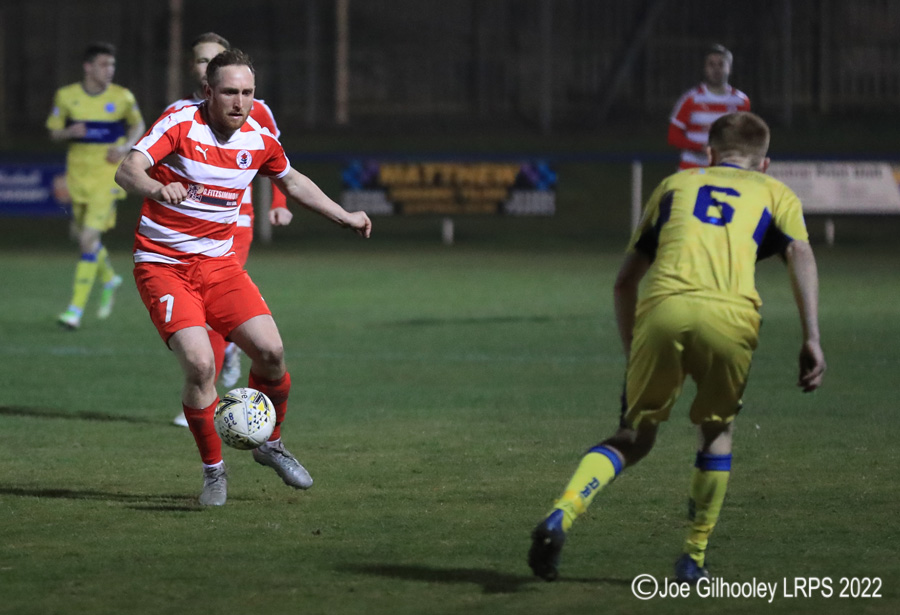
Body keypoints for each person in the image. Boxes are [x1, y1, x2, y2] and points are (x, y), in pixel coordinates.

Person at [528, 112, 826, 583]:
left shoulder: (673, 186)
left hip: (663, 309)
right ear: (764, 164)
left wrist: (634, 351)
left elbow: (624, 283)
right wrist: (811, 336)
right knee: (715, 430)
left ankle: (560, 515)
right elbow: (801, 253)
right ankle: (693, 558)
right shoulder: (777, 193)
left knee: (633, 436)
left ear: (709, 154)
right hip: (731, 316)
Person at [115, 49, 372, 506]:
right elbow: (127, 169)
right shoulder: (180, 124)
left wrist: (342, 215)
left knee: (271, 352)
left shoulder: (257, 136)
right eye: (230, 92)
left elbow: (292, 181)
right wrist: (157, 187)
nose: (240, 102)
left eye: (248, 93)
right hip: (163, 265)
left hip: (219, 266)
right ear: (209, 92)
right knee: (200, 365)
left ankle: (269, 443)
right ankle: (214, 472)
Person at [168, 33, 292, 427]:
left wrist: (280, 204)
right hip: (188, 232)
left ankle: (212, 397)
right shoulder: (181, 113)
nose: (206, 64)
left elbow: (277, 163)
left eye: (213, 58)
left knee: (209, 312)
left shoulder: (255, 110)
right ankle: (222, 363)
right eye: (201, 59)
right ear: (194, 68)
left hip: (234, 226)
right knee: (201, 319)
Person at [47, 42, 146, 329]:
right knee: (82, 236)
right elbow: (53, 131)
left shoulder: (122, 97)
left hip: (108, 177)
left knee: (87, 239)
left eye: (112, 65)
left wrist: (126, 146)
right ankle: (109, 279)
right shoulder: (67, 96)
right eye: (104, 65)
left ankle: (74, 311)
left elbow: (138, 126)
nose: (109, 70)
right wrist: (69, 131)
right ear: (88, 67)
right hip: (78, 176)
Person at [668, 44, 750, 170]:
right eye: (711, 64)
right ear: (705, 68)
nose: (716, 69)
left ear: (730, 68)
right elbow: (673, 136)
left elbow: (746, 136)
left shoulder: (741, 101)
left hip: (726, 170)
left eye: (721, 64)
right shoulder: (690, 99)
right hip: (692, 169)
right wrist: (701, 147)